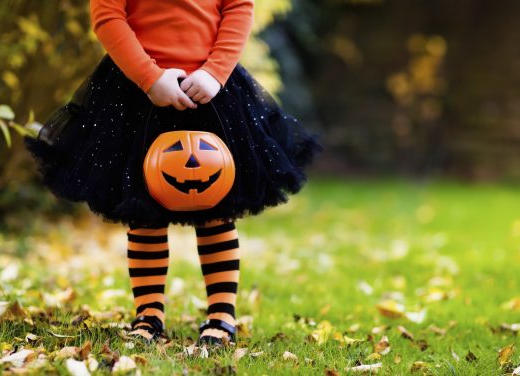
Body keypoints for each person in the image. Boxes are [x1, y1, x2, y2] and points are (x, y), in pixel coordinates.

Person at [24, 0, 322, 347]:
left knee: (217, 209)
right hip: (137, 93)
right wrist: (150, 78)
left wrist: (215, 72)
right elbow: (108, 17)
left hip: (211, 90)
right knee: (144, 211)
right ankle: (149, 314)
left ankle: (222, 314)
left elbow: (238, 7)